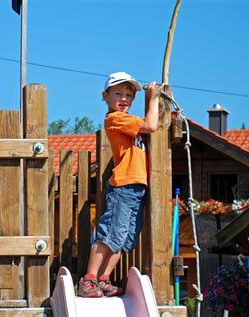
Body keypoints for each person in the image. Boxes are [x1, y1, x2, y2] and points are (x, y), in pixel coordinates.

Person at [78, 71, 164, 298]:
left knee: (124, 239)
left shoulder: (128, 122)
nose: (124, 99)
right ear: (105, 96)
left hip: (137, 187)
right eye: (118, 93)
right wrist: (154, 98)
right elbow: (151, 125)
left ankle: (104, 278)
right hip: (124, 185)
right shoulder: (116, 119)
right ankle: (89, 279)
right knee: (109, 234)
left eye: (129, 95)